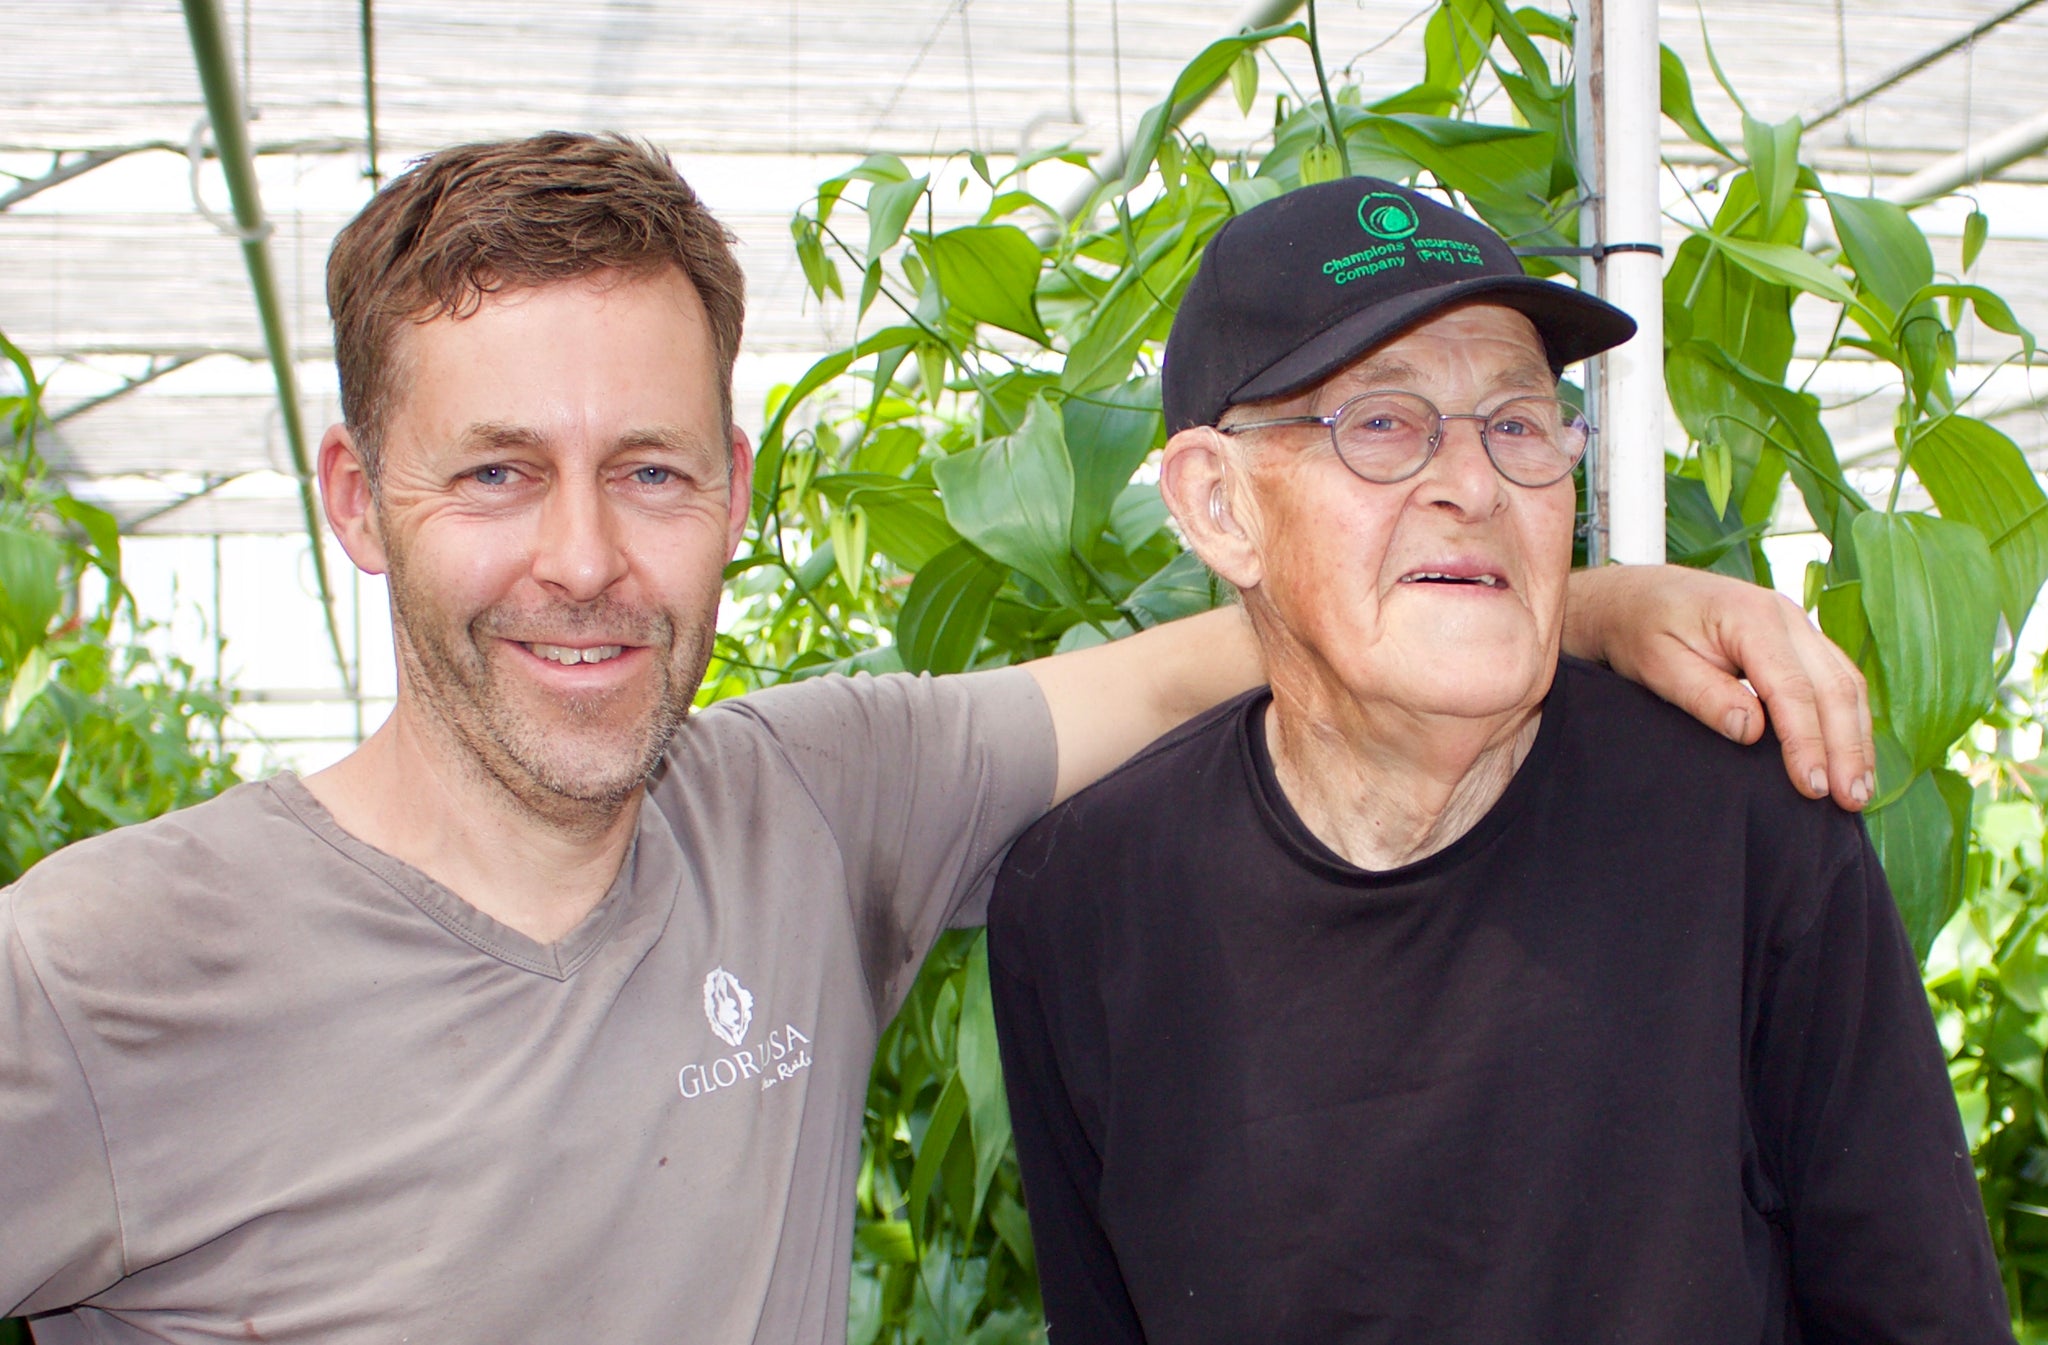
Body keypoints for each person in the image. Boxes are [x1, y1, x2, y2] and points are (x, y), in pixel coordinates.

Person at [0, 136, 1872, 1343]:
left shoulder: (804, 812)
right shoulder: (106, 971)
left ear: (734, 491)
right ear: (355, 496)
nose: (582, 561)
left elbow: (1220, 656)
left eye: (649, 472)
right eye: (495, 474)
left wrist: (1571, 603)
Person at [988, 177, 2008, 1343]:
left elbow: (1916, 1312)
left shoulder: (1740, 831)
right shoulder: (1087, 903)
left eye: (1517, 424)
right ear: (1217, 505)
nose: (1472, 485)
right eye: (1382, 422)